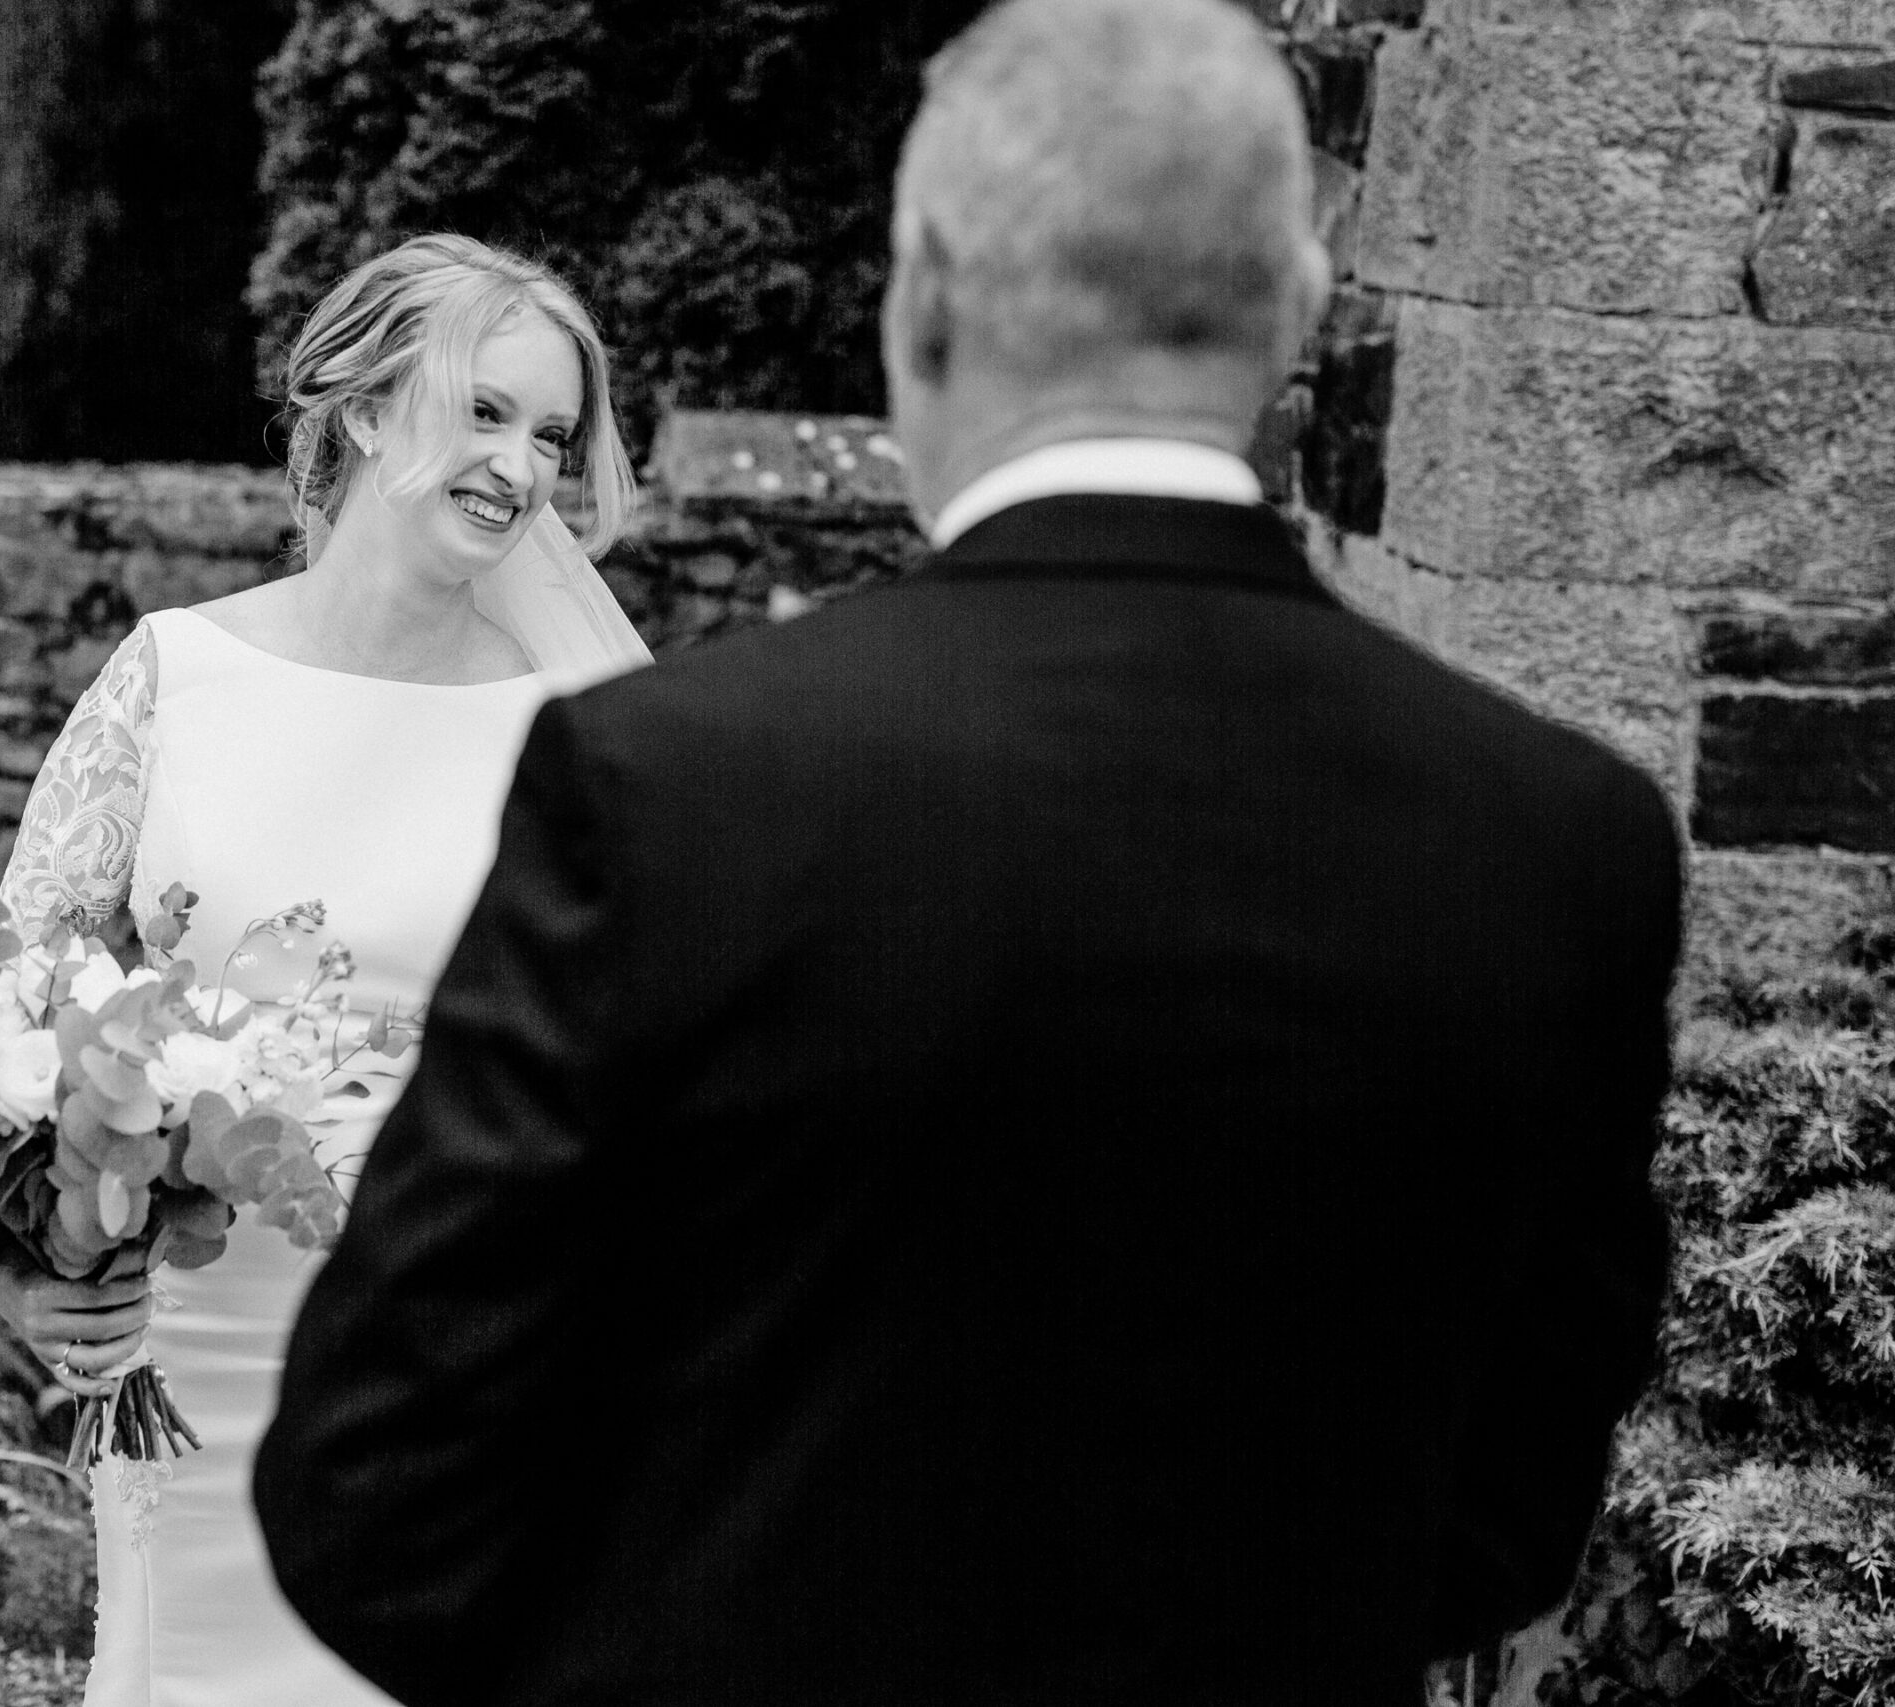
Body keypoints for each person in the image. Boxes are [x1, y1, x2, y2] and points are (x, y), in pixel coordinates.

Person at [252, 2, 1684, 1703]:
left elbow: (373, 1486)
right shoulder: (1558, 842)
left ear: (919, 298)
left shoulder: (679, 784)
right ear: (1299, 313)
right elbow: (1514, 1511)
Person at [0, 233, 651, 1707]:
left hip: (480, 1371)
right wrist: (27, 1268)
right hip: (196, 1361)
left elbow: (657, 1067)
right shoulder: (176, 676)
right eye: (484, 413)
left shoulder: (580, 729)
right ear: (357, 409)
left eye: (551, 435)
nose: (521, 469)